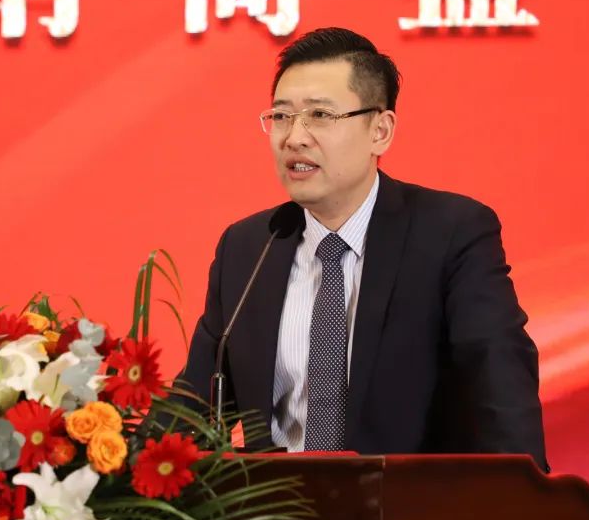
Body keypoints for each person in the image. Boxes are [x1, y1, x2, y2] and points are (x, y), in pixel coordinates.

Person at [175, 27, 548, 471]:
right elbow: (190, 407)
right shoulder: (248, 247)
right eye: (281, 116)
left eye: (319, 115)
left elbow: (500, 392)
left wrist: (521, 497)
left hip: (406, 507)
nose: (294, 137)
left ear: (380, 131)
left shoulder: (450, 234)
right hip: (273, 510)